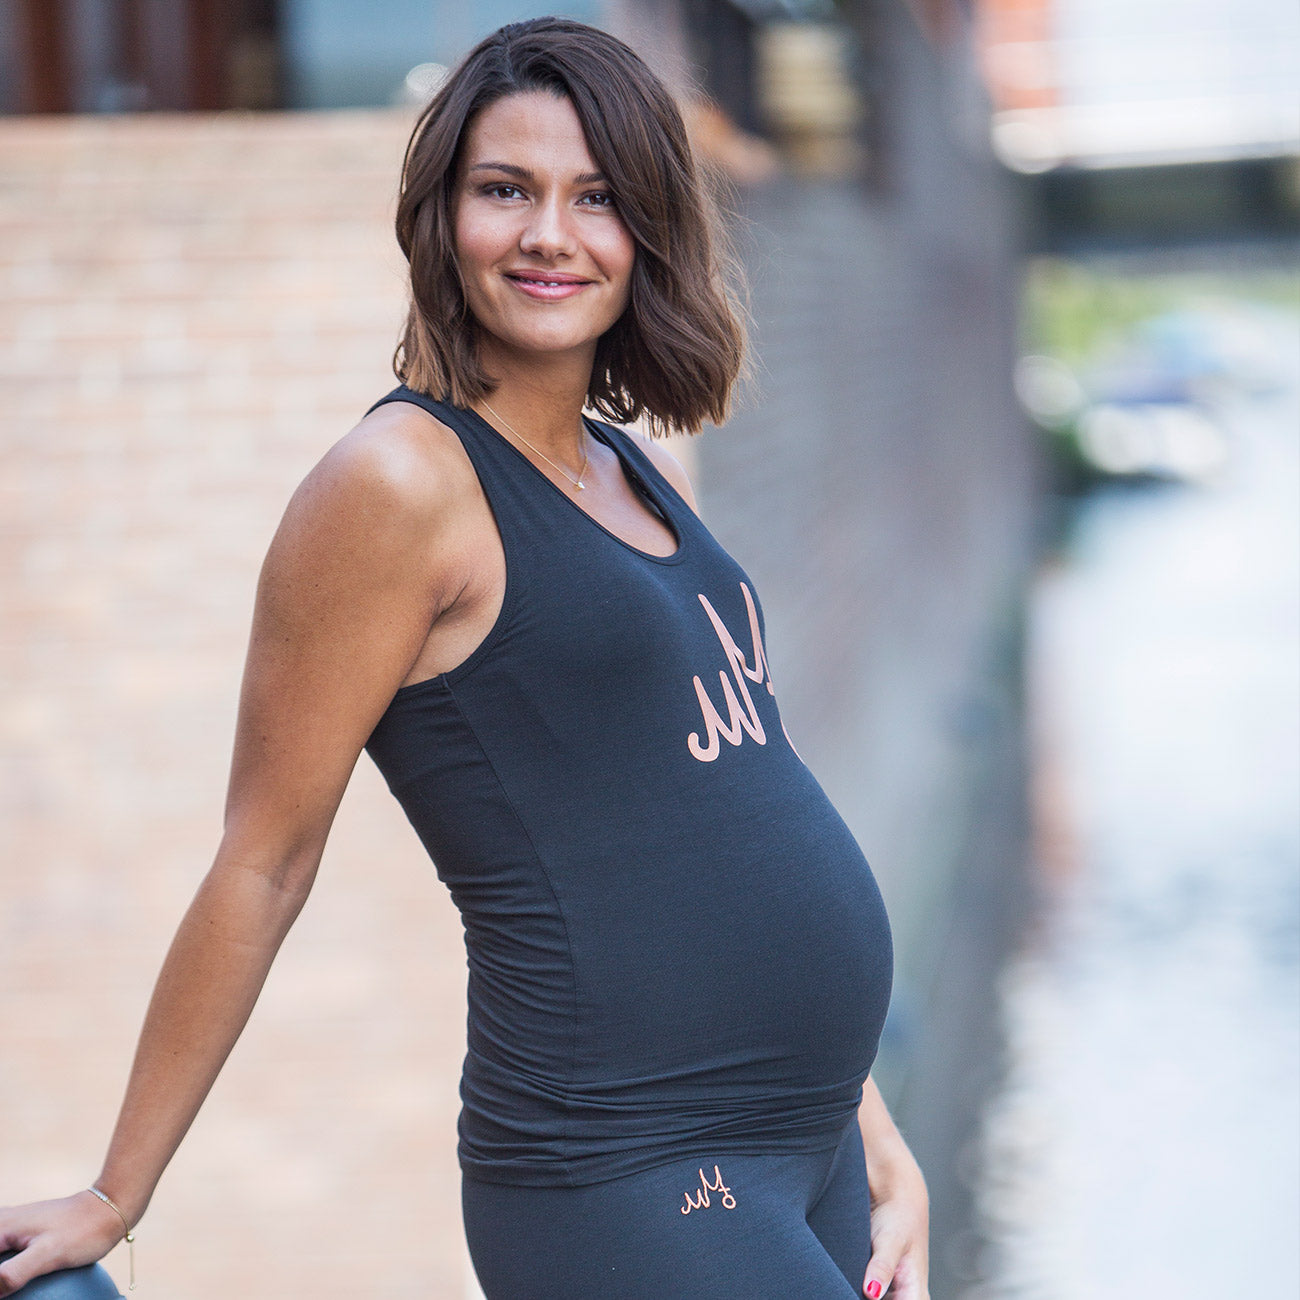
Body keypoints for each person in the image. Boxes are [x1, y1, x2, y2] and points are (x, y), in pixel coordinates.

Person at [0, 17, 930, 1299]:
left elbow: (721, 809)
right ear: (442, 219)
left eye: (596, 197)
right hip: (628, 1174)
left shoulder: (625, 464)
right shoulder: (395, 487)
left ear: (648, 230)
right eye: (507, 190)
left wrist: (870, 1129)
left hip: (806, 1147)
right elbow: (264, 859)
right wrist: (116, 1194)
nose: (551, 232)